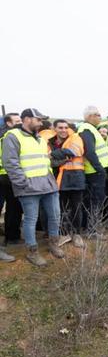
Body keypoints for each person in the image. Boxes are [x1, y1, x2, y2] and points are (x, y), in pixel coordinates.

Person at [3, 109, 63, 266]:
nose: (41, 122)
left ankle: (53, 244)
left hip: (48, 186)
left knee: (55, 216)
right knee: (30, 220)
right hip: (29, 188)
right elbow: (10, 163)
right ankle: (33, 252)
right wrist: (23, 184)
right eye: (38, 119)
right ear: (27, 119)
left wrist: (52, 181)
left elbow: (45, 161)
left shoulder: (41, 139)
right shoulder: (13, 137)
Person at [48, 119, 86, 249]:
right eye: (60, 128)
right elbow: (50, 162)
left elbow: (75, 152)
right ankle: (64, 234)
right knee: (60, 209)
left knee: (76, 207)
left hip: (75, 178)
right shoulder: (50, 142)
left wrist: (54, 154)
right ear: (55, 128)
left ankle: (76, 234)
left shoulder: (75, 137)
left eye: (65, 127)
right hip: (56, 179)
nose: (63, 130)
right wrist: (63, 159)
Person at [78, 106, 108, 236]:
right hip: (94, 172)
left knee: (94, 201)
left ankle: (89, 228)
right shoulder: (86, 130)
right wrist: (100, 170)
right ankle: (92, 230)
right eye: (98, 115)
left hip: (95, 171)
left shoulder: (91, 129)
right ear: (89, 116)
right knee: (95, 202)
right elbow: (90, 152)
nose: (100, 117)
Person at [0, 113, 23, 253]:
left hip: (7, 176)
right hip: (6, 176)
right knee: (14, 208)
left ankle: (11, 237)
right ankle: (12, 238)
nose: (20, 123)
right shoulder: (10, 137)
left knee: (13, 208)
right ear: (8, 123)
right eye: (17, 121)